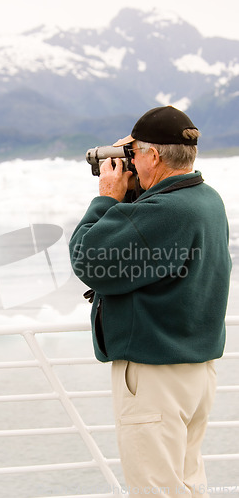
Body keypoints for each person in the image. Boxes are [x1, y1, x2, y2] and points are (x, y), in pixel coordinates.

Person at [69, 106, 232, 496]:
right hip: (194, 371)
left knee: (155, 490)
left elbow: (89, 259)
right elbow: (149, 250)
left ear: (154, 156)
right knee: (187, 485)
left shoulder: (164, 212)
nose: (130, 161)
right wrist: (136, 184)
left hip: (155, 376)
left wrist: (107, 197)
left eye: (137, 153)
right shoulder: (206, 200)